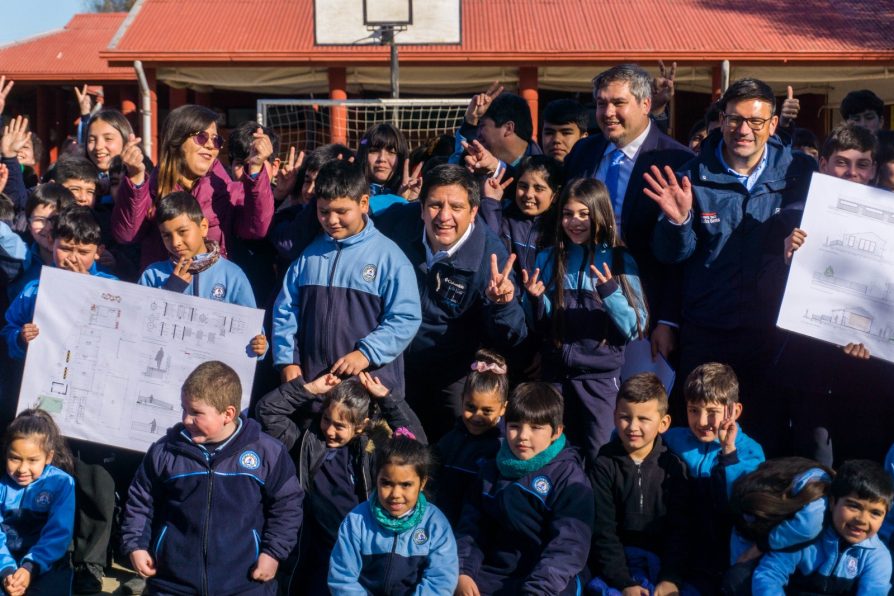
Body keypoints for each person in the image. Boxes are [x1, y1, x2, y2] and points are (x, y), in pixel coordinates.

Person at [645, 77, 816, 446]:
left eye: (755, 122)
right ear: (721, 119)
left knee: (764, 435)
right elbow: (672, 258)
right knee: (701, 435)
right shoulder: (691, 176)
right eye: (735, 119)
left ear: (772, 124)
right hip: (708, 329)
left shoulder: (800, 174)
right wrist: (677, 222)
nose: (744, 130)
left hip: (772, 331)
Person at [120, 361, 304, 595]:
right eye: (184, 409)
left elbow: (287, 506)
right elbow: (140, 503)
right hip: (172, 584)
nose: (186, 419)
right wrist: (136, 545)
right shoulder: (165, 452)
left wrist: (273, 553)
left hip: (244, 585)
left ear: (228, 413)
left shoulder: (267, 453)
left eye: (196, 413)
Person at [761, 122, 887, 464]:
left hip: (869, 377)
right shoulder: (791, 218)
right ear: (824, 165)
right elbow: (764, 293)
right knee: (815, 472)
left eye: (862, 164)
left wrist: (876, 342)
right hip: (809, 374)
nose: (852, 173)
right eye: (842, 162)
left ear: (874, 170)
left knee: (861, 475)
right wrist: (787, 260)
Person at [374, 164, 527, 441]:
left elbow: (514, 335)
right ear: (420, 207)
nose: (444, 216)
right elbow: (354, 213)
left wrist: (502, 304)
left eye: (456, 207)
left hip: (452, 370)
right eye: (435, 205)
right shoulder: (395, 223)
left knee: (456, 440)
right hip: (394, 359)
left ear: (473, 212)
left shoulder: (491, 258)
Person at [564, 63, 692, 364]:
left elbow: (680, 255)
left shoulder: (676, 160)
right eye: (601, 103)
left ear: (645, 104)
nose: (608, 112)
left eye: (618, 103)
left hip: (645, 313)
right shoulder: (583, 153)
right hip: (581, 306)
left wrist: (668, 320)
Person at [255, 372, 426, 595]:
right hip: (313, 551)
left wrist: (387, 398)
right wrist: (310, 389)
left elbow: (417, 446)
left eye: (340, 426)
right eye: (327, 419)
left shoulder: (374, 452)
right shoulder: (307, 441)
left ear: (361, 426)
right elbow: (267, 411)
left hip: (356, 553)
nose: (330, 430)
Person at [523, 178, 648, 466]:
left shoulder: (618, 259)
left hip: (600, 382)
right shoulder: (549, 257)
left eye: (584, 214)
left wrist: (610, 293)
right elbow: (536, 324)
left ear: (600, 214)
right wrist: (534, 300)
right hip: (555, 379)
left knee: (599, 457)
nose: (574, 222)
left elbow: (635, 325)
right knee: (551, 457)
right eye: (568, 214)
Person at [272, 159, 421, 396]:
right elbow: (285, 309)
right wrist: (287, 360)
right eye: (324, 211)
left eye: (342, 211)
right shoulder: (308, 255)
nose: (332, 220)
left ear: (363, 202)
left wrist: (366, 353)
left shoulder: (390, 257)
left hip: (370, 395)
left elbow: (405, 318)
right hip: (314, 391)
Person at [455, 383, 594, 595]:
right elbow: (471, 529)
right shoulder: (490, 469)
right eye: (514, 426)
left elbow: (568, 547)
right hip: (493, 574)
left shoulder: (569, 479)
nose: (522, 436)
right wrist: (463, 572)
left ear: (556, 432)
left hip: (549, 579)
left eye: (536, 428)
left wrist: (537, 590)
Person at [113, 104, 275, 268]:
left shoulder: (229, 191)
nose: (211, 146)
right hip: (163, 287)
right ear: (177, 139)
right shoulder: (148, 190)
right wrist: (134, 177)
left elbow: (257, 229)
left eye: (216, 140)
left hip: (212, 290)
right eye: (202, 137)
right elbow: (127, 235)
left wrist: (255, 168)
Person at [662, 363, 765, 593]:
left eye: (712, 412)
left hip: (724, 552)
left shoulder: (751, 451)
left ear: (734, 411)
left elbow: (740, 501)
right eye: (693, 410)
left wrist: (728, 452)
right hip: (683, 545)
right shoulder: (674, 439)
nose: (700, 422)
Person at [587, 373, 690, 596]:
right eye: (625, 417)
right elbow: (603, 531)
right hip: (617, 566)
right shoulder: (604, 465)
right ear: (614, 417)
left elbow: (679, 531)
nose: (633, 426)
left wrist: (670, 578)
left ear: (664, 423)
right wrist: (624, 582)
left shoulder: (673, 468)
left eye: (643, 419)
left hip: (663, 563)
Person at [138, 191, 267, 358]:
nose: (176, 242)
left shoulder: (232, 275)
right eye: (167, 236)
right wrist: (170, 291)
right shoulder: (153, 274)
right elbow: (138, 324)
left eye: (182, 231)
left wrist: (261, 345)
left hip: (216, 377)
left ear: (203, 227)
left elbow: (252, 329)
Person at [328, 435, 458, 594]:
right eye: (386, 483)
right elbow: (342, 577)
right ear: (376, 479)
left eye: (406, 485)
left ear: (422, 483)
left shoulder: (435, 524)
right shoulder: (357, 521)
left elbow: (441, 579)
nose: (395, 494)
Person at [752, 460, 893, 594]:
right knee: (738, 578)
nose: (862, 520)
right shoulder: (804, 538)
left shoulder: (878, 558)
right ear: (832, 502)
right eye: (853, 506)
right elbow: (769, 575)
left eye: (875, 513)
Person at [3, 206, 116, 361]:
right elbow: (10, 328)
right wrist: (21, 338)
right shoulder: (35, 290)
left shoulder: (111, 288)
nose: (73, 258)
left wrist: (89, 287)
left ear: (98, 252)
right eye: (65, 248)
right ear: (51, 241)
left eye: (83, 252)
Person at [723, 458, 831, 593]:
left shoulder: (816, 483)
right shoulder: (745, 506)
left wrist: (764, 543)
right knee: (737, 577)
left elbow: (808, 527)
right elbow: (742, 558)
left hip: (811, 573)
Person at [0, 409, 76, 596]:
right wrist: (7, 570)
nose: (22, 469)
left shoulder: (62, 483)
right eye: (14, 458)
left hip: (46, 560)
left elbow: (58, 533)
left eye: (33, 460)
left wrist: (30, 567)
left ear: (48, 457)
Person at [430, 349, 508, 526]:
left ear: (503, 408)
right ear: (461, 399)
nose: (476, 416)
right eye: (470, 407)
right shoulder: (451, 438)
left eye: (487, 411)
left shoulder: (501, 449)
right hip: (441, 525)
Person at [479, 154, 564, 274]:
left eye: (538, 188)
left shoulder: (560, 226)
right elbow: (491, 243)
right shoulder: (505, 215)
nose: (528, 194)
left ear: (555, 195)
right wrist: (491, 202)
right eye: (523, 186)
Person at [356, 123, 421, 211]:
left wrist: (411, 203)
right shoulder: (350, 191)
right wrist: (396, 201)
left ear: (401, 158)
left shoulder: (415, 195)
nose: (382, 159)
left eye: (391, 152)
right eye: (374, 151)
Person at [541, 98, 589, 162]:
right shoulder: (528, 169)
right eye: (549, 133)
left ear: (584, 138)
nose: (556, 139)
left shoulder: (597, 170)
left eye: (566, 133)